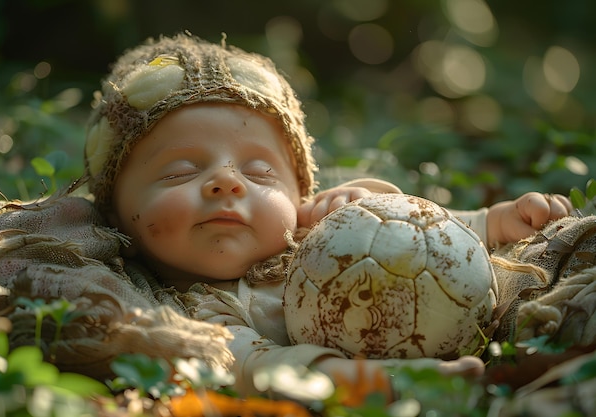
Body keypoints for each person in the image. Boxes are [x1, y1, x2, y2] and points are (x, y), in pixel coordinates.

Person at [83, 33, 572, 397]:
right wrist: (359, 381)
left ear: (300, 193)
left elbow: (426, 239)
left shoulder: (317, 229)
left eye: (259, 171)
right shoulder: (179, 315)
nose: (227, 181)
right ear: (115, 212)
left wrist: (494, 222)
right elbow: (251, 366)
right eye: (179, 172)